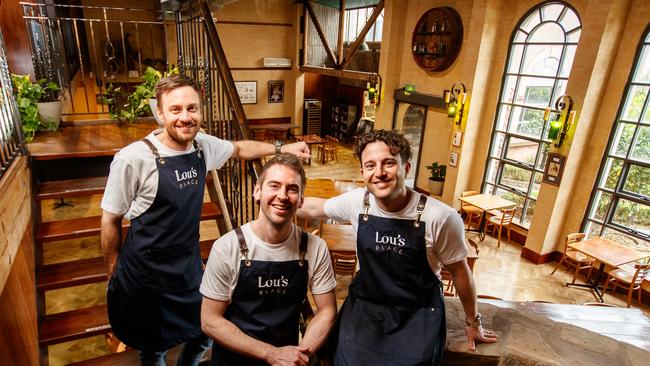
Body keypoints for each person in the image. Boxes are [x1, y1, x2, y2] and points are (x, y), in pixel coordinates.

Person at [100, 74, 310, 366]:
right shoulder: (133, 159)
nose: (185, 117)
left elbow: (238, 149)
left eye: (192, 108)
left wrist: (281, 149)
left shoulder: (201, 146)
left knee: (206, 331)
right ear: (159, 113)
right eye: (175, 110)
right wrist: (114, 272)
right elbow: (110, 219)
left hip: (186, 266)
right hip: (145, 274)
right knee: (153, 347)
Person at [298, 129, 498, 365]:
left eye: (389, 163)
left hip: (418, 315)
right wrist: (276, 202)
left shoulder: (440, 217)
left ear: (406, 168)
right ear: (362, 172)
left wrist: (473, 322)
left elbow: (460, 272)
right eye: (370, 165)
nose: (379, 173)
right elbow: (313, 208)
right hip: (365, 309)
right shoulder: (358, 202)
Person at [200, 153, 337, 366]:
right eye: (274, 186)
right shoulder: (227, 248)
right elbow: (210, 321)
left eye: (292, 189)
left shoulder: (314, 248)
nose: (282, 195)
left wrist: (301, 356)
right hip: (233, 360)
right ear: (257, 191)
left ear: (301, 200)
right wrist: (271, 354)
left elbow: (327, 311)